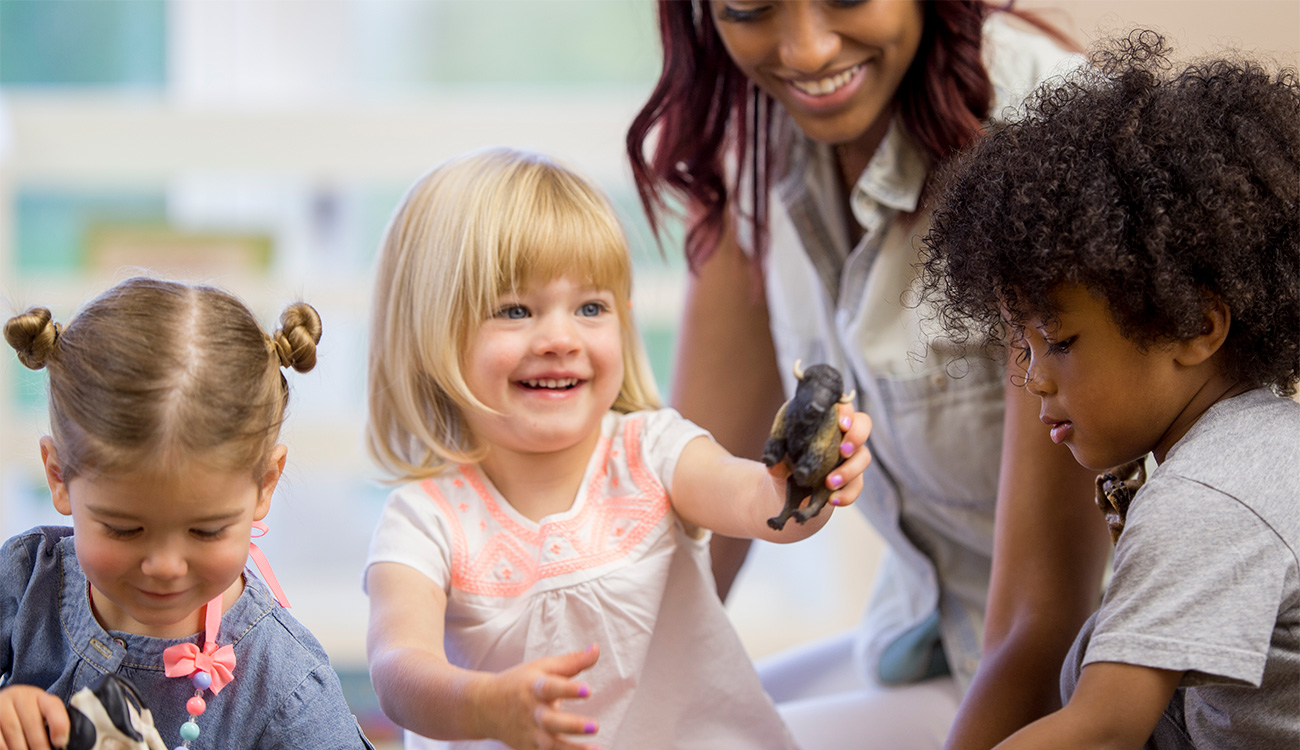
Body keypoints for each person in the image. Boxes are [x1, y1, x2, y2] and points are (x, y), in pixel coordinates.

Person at [626, 1, 1111, 747]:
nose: (808, 50)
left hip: (1075, 685)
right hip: (923, 643)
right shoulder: (752, 130)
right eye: (750, 7)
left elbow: (1043, 628)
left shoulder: (1048, 135)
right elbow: (690, 520)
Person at [361, 147, 873, 750]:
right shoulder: (425, 522)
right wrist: (487, 705)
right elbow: (398, 672)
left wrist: (804, 482)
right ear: (430, 335)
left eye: (590, 307)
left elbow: (759, 502)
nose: (560, 338)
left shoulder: (651, 452)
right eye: (516, 310)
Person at [920, 30, 1300, 747]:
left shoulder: (1208, 498)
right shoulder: (1260, 444)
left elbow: (1099, 732)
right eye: (1022, 344)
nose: (1032, 378)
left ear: (1197, 326)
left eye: (1060, 342)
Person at [0, 277, 375, 749]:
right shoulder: (23, 583)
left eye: (205, 531)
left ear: (265, 484)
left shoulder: (287, 691)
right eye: (123, 528)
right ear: (58, 477)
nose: (164, 566)